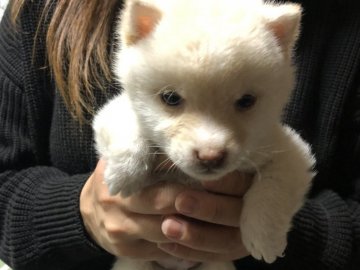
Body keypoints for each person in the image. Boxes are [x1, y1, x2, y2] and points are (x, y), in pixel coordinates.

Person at [0, 0, 359, 269]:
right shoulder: (38, 11)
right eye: (172, 99)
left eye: (244, 102)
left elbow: (291, 163)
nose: (211, 145)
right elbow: (116, 118)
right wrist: (81, 212)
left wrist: (273, 226)